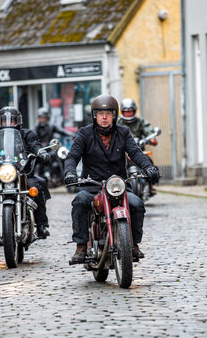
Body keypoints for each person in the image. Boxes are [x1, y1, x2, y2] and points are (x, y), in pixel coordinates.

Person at [63, 95, 160, 262]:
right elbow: (73, 156)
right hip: (92, 186)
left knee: (137, 204)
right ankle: (81, 246)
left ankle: (134, 244)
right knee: (79, 201)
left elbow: (135, 152)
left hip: (118, 186)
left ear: (114, 116)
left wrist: (148, 167)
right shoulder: (85, 133)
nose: (104, 117)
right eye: (101, 114)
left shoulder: (123, 132)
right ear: (95, 115)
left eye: (108, 113)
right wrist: (70, 173)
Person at [0, 106, 52, 240]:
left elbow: (35, 145)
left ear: (18, 122)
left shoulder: (27, 134)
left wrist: (41, 152)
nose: (8, 123)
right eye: (4, 121)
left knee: (36, 187)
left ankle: (41, 226)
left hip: (23, 173)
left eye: (12, 120)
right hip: (0, 175)